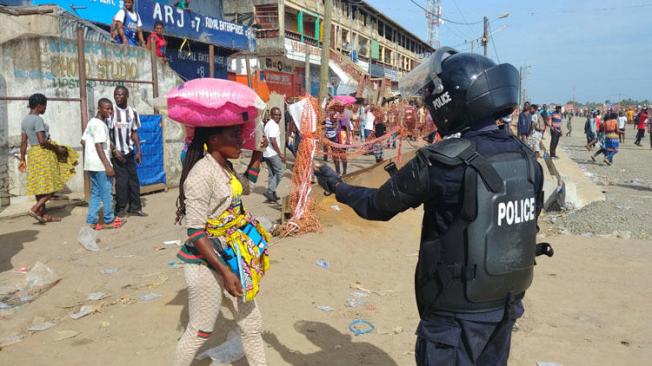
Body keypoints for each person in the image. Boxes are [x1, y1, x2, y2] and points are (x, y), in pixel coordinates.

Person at [315, 48, 549, 366]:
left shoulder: (440, 161)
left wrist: (337, 186)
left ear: (450, 99)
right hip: (503, 309)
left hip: (453, 319)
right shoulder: (526, 158)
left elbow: (376, 206)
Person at [173, 125, 269, 366]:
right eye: (234, 136)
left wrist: (258, 153)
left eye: (240, 135)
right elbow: (195, 232)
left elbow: (245, 186)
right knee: (200, 331)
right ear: (214, 140)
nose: (240, 140)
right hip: (206, 264)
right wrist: (225, 273)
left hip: (234, 259)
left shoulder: (225, 167)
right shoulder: (201, 175)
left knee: (252, 325)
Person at [19, 93, 79, 223]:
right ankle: (35, 209)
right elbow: (42, 141)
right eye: (45, 106)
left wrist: (22, 158)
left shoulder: (25, 120)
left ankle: (43, 214)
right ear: (39, 106)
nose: (45, 109)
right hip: (43, 154)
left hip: (33, 154)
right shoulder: (38, 119)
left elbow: (23, 142)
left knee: (40, 186)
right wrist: (57, 149)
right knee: (52, 186)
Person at [81, 99, 124, 230]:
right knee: (106, 192)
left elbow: (83, 141)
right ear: (99, 108)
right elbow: (98, 144)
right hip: (100, 165)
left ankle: (92, 220)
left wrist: (111, 148)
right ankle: (108, 219)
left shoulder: (91, 123)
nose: (109, 111)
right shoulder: (100, 124)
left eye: (111, 109)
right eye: (107, 109)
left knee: (95, 193)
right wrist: (107, 165)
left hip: (90, 164)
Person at [110, 86, 146, 217]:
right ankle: (120, 208)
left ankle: (135, 207)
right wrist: (113, 150)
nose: (117, 97)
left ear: (127, 96)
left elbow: (134, 132)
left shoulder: (132, 112)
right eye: (116, 95)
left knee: (133, 181)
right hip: (117, 154)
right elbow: (107, 133)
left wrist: (139, 150)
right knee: (121, 182)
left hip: (129, 152)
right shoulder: (111, 111)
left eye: (120, 95)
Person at [262, 107, 285, 202]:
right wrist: (280, 153)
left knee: (272, 174)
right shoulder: (273, 125)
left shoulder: (269, 124)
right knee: (280, 172)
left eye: (279, 115)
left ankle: (272, 193)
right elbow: (273, 140)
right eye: (276, 114)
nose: (278, 117)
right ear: (271, 115)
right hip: (272, 153)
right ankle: (270, 191)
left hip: (267, 153)